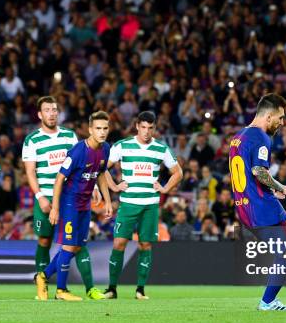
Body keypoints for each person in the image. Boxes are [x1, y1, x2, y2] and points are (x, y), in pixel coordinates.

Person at [229, 93, 286, 311]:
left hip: (246, 206)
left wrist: (268, 191)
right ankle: (267, 302)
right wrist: (281, 187)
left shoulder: (238, 137)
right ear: (268, 116)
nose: (282, 122)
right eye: (281, 117)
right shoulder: (261, 137)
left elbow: (246, 174)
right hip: (261, 207)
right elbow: (258, 171)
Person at [103, 111, 183, 300]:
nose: (146, 132)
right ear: (137, 126)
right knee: (119, 243)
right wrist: (114, 185)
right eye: (143, 127)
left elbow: (178, 172)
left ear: (154, 128)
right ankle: (111, 289)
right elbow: (102, 167)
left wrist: (164, 189)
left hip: (150, 205)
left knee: (145, 244)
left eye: (150, 128)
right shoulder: (122, 145)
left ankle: (140, 290)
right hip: (128, 204)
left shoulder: (160, 149)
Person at [34, 111, 113, 301]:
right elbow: (60, 178)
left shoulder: (106, 148)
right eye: (98, 129)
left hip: (85, 204)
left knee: (76, 247)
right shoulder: (78, 151)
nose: (102, 132)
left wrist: (107, 200)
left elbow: (101, 174)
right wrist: (55, 207)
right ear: (90, 130)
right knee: (69, 246)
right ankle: (61, 290)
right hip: (69, 203)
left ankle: (42, 276)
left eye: (105, 128)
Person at [22, 96, 78, 295]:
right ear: (40, 114)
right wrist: (40, 197)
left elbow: (77, 166)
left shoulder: (70, 136)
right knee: (44, 240)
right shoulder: (32, 140)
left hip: (67, 198)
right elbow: (30, 172)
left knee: (73, 243)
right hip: (44, 197)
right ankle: (42, 285)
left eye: (54, 109)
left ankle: (63, 286)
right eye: (47, 110)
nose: (52, 113)